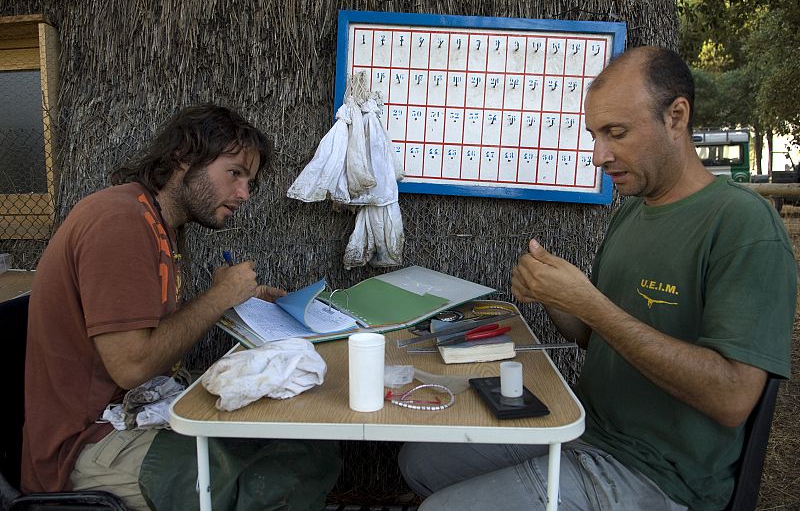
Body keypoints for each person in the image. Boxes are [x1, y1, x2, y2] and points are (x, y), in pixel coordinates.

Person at [399, 46, 795, 510]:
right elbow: (597, 336)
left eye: (616, 133)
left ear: (676, 116)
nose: (598, 156)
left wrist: (591, 304)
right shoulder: (631, 215)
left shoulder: (742, 226)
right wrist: (556, 296)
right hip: (586, 428)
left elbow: (732, 397)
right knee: (419, 461)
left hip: (661, 474)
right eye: (594, 135)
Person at [22, 105, 340, 510]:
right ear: (184, 158)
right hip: (88, 443)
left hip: (139, 413)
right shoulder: (119, 221)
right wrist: (218, 297)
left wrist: (236, 301)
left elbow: (151, 332)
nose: (244, 194)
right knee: (272, 484)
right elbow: (133, 365)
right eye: (235, 173)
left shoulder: (160, 225)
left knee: (305, 448)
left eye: (250, 182)